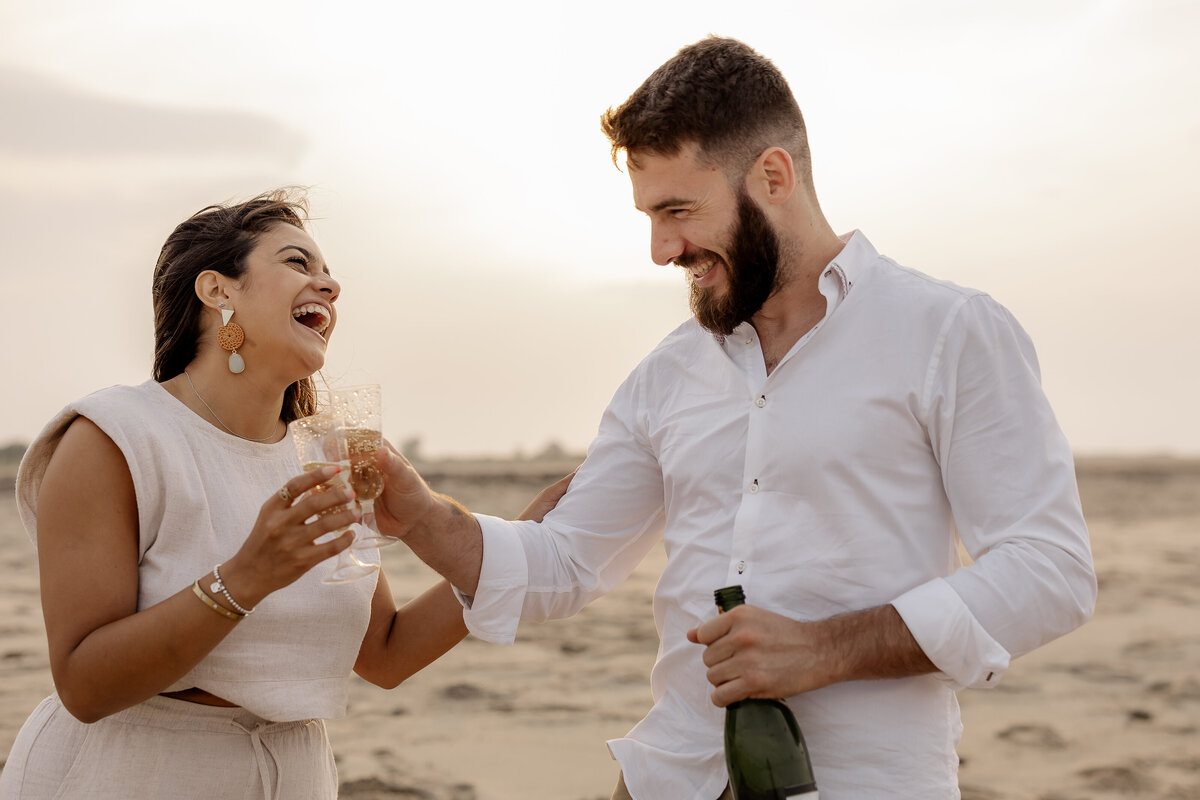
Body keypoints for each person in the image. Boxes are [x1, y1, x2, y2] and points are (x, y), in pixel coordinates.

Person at [374, 37, 1097, 799]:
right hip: (669, 774)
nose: (661, 250)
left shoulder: (949, 332)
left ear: (774, 175)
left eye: (679, 211)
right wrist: (422, 516)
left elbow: (1050, 570)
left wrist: (828, 649)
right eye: (650, 217)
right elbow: (564, 565)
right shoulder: (666, 373)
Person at [0, 189, 569, 799]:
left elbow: (384, 653)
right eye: (299, 263)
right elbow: (85, 686)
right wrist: (246, 577)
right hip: (131, 772)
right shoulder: (115, 437)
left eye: (329, 274)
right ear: (218, 291)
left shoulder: (323, 455)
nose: (330, 286)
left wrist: (508, 547)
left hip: (294, 776)